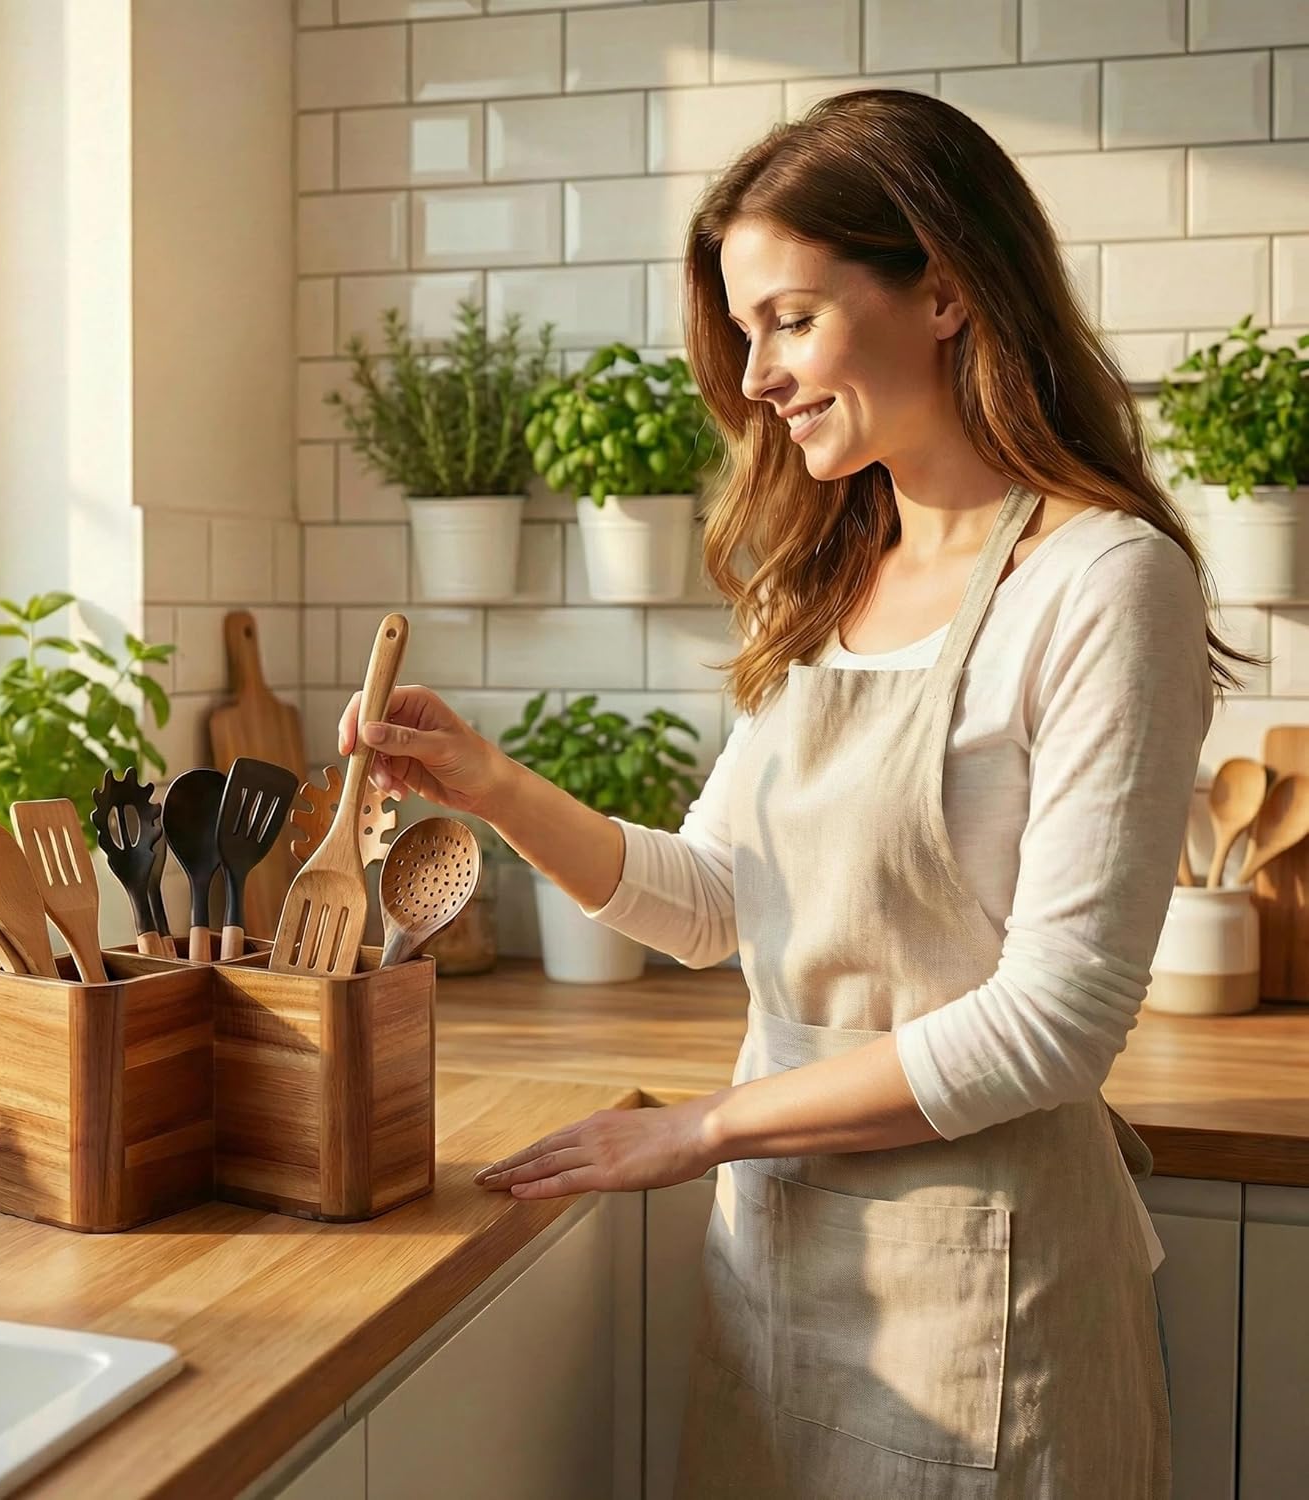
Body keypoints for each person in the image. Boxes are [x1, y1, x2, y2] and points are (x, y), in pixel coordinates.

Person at [335, 90, 1258, 1498]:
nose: (756, 376)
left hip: (989, 1296)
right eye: (744, 332)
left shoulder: (1102, 581)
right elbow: (716, 907)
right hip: (779, 1266)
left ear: (942, 291)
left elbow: (1055, 1025)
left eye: (790, 318)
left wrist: (700, 1127)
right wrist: (492, 784)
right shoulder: (827, 580)